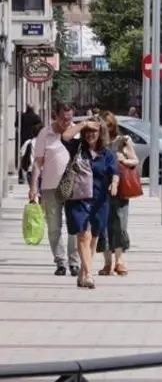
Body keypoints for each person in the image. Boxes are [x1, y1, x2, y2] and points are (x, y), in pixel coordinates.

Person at [28, 103, 89, 277]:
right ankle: (60, 262)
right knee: (54, 227)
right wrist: (34, 187)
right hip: (50, 186)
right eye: (63, 119)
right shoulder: (44, 133)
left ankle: (74, 262)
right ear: (56, 115)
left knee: (74, 226)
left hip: (73, 187)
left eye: (69, 119)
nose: (66, 123)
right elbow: (38, 162)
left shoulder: (76, 133)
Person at [65, 119, 118, 289]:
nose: (90, 134)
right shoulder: (78, 148)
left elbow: (114, 171)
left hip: (100, 199)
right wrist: (84, 123)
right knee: (83, 235)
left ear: (100, 133)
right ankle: (88, 274)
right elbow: (66, 136)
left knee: (93, 237)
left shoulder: (107, 153)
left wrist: (114, 184)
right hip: (79, 197)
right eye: (87, 131)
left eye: (94, 131)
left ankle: (83, 273)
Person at [97, 112, 137, 276]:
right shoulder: (97, 142)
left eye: (109, 126)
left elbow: (135, 160)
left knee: (120, 224)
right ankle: (107, 263)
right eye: (103, 126)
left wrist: (123, 159)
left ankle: (120, 261)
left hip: (120, 189)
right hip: (101, 189)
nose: (106, 129)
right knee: (104, 227)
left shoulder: (122, 140)